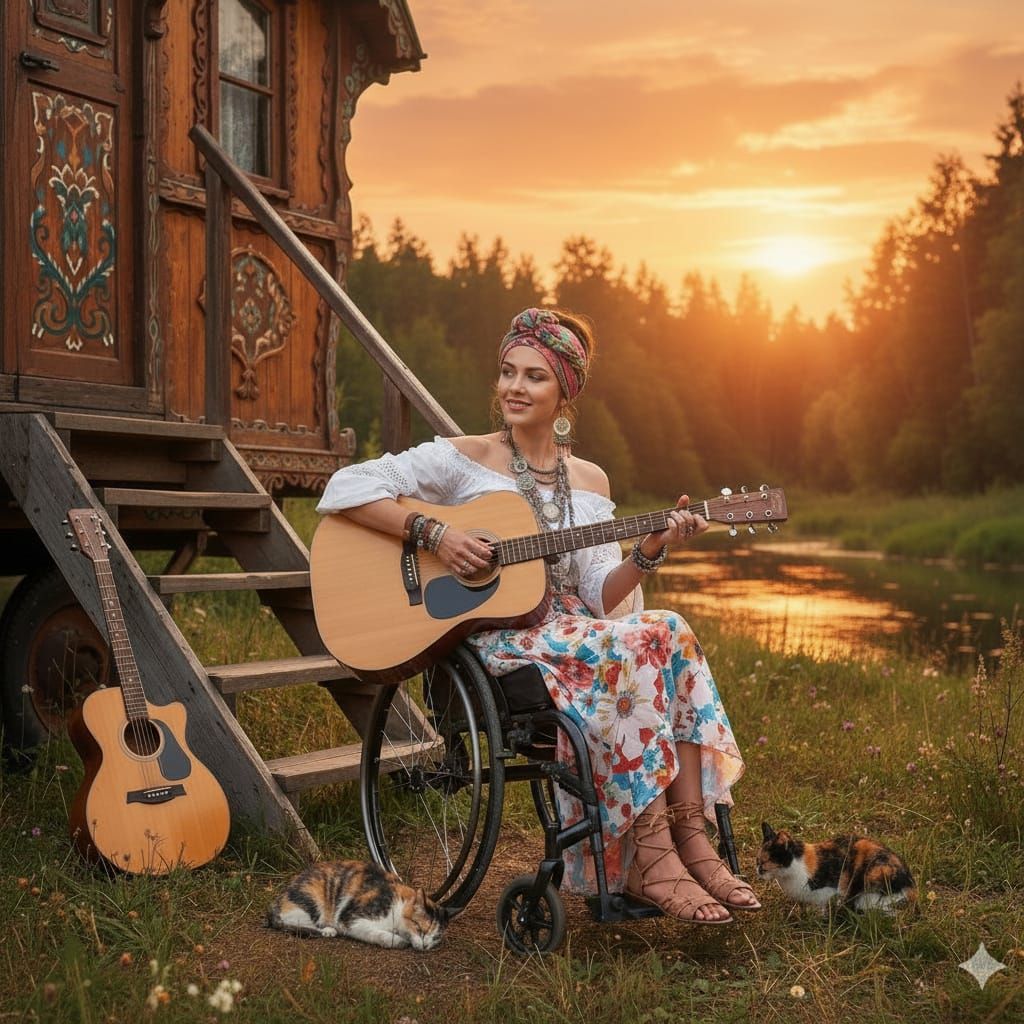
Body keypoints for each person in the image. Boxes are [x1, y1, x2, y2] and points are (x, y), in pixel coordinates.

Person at [316, 308, 759, 923]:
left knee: (671, 629)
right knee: (631, 646)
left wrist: (651, 549)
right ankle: (651, 857)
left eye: (534, 377)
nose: (514, 388)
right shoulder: (460, 459)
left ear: (565, 393)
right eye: (507, 373)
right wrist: (435, 533)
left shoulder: (588, 479)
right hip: (500, 642)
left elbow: (601, 595)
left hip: (574, 630)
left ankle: (692, 839)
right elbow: (343, 487)